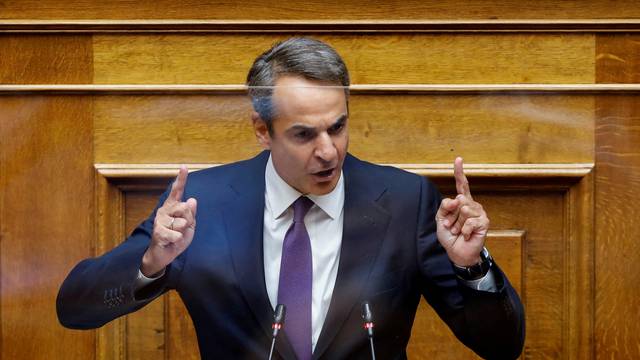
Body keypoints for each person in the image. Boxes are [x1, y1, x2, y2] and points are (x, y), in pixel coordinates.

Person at [57, 37, 524, 359]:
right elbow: (74, 309)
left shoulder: (405, 201)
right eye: (304, 134)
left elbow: (501, 346)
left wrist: (472, 267)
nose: (328, 151)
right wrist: (152, 263)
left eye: (337, 127)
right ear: (262, 131)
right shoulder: (204, 204)